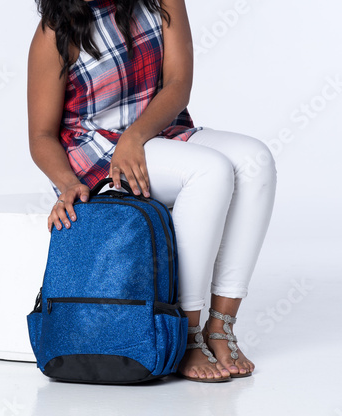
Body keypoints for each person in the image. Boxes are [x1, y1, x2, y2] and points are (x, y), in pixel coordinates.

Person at [27, 0, 277, 382]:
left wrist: (136, 136)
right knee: (209, 172)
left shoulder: (163, 2)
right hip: (96, 152)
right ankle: (187, 335)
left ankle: (220, 325)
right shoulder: (55, 32)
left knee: (256, 160)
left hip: (154, 131)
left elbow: (179, 83)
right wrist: (68, 184)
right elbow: (42, 136)